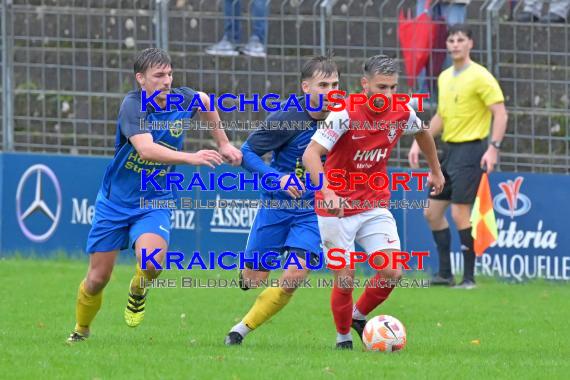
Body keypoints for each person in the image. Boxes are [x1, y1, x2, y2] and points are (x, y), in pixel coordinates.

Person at [67, 48, 243, 343]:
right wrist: (191, 157)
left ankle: (138, 289)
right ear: (141, 79)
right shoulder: (132, 106)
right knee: (97, 280)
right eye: (159, 75)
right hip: (115, 202)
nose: (167, 81)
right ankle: (82, 329)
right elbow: (145, 149)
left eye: (170, 74)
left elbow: (205, 101)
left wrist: (224, 143)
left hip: (154, 200)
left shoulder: (181, 98)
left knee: (151, 264)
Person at [303, 54, 445, 350]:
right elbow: (311, 155)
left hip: (373, 204)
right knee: (345, 278)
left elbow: (423, 132)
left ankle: (357, 316)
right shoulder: (344, 112)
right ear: (364, 84)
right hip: (336, 206)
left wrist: (435, 169)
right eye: (382, 87)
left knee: (392, 271)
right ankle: (343, 339)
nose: (388, 94)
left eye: (393, 87)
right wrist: (328, 192)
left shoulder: (402, 111)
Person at [224, 55, 340, 345]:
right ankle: (247, 271)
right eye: (323, 84)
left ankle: (240, 330)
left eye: (335, 84)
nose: (330, 91)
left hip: (314, 211)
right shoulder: (285, 117)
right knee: (254, 280)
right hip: (277, 205)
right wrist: (277, 178)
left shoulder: (344, 118)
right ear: (305, 87)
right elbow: (247, 153)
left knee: (294, 275)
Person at [408, 24, 508, 289]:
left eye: (460, 40)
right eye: (451, 40)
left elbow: (500, 113)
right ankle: (444, 274)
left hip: (472, 149)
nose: (454, 44)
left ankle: (469, 278)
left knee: (460, 212)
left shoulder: (481, 76)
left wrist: (493, 148)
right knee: (431, 213)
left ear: (470, 44)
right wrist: (420, 141)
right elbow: (441, 115)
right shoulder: (444, 76)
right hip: (448, 151)